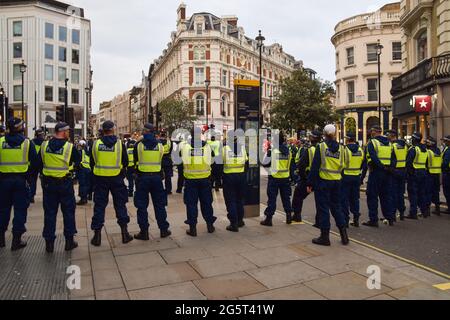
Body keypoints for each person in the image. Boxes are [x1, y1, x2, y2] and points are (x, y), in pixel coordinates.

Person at [90, 121, 133, 247]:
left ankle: (97, 236)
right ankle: (125, 234)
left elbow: (92, 162)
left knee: (99, 206)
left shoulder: (96, 144)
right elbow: (125, 162)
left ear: (103, 130)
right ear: (113, 130)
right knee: (120, 205)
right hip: (116, 179)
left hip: (100, 178)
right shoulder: (120, 144)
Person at [39, 123, 80, 253]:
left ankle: (49, 244)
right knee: (68, 212)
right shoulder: (69, 147)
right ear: (63, 132)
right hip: (64, 184)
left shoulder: (44, 145)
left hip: (48, 184)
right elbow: (78, 161)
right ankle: (69, 242)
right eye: (68, 131)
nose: (69, 133)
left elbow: (38, 163)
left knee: (50, 213)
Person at [0, 118, 39, 250]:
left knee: (3, 209)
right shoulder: (27, 143)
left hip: (3, 181)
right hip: (21, 181)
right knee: (20, 210)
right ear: (19, 128)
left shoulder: (0, 142)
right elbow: (35, 163)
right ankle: (16, 240)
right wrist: (30, 177)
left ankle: (1, 239)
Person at [307, 124, 349, 246]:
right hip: (337, 182)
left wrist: (310, 183)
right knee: (337, 208)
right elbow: (344, 164)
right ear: (335, 133)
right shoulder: (342, 148)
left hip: (323, 182)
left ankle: (325, 237)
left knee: (323, 209)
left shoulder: (321, 147)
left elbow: (315, 167)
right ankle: (344, 236)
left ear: (324, 134)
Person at [133, 123, 171, 240]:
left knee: (142, 206)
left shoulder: (138, 145)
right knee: (159, 205)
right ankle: (163, 230)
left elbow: (136, 159)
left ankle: (144, 232)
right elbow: (160, 159)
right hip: (156, 178)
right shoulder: (159, 145)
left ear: (145, 132)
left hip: (142, 178)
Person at [181, 127, 217, 237]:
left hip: (190, 180)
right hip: (205, 180)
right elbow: (213, 160)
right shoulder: (207, 146)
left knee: (191, 204)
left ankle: (193, 229)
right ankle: (210, 225)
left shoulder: (185, 147)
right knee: (207, 203)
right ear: (200, 134)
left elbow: (179, 160)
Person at [363, 126, 395, 227]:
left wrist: (381, 167)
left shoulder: (372, 142)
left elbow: (373, 157)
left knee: (372, 195)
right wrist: (390, 168)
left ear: (374, 132)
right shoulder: (389, 144)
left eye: (371, 131)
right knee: (386, 196)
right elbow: (394, 158)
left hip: (377, 172)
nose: (370, 132)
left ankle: (373, 220)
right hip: (388, 173)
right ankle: (389, 218)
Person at [261, 132, 293, 226]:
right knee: (286, 198)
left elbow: (265, 163)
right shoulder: (288, 152)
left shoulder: (272, 151)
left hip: (274, 178)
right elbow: (291, 166)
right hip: (285, 178)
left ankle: (269, 219)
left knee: (272, 199)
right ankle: (288, 216)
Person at [291, 130, 321, 223]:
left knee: (298, 196)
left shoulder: (309, 150)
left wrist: (303, 178)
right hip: (322, 178)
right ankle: (319, 221)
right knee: (320, 201)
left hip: (308, 178)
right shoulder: (323, 148)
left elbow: (301, 165)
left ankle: (297, 215)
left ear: (311, 138)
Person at [222, 132, 248, 232]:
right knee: (240, 199)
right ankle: (240, 220)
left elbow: (220, 164)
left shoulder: (225, 149)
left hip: (229, 177)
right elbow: (246, 163)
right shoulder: (242, 148)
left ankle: (234, 223)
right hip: (241, 176)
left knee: (230, 200)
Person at [341, 132, 365, 228]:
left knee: (344, 199)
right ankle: (356, 219)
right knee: (355, 198)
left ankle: (345, 220)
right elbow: (363, 163)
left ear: (348, 140)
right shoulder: (360, 150)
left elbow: (341, 163)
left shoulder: (345, 150)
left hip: (346, 176)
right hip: (356, 177)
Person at [405, 132, 429, 220]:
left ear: (414, 139)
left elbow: (408, 163)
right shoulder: (425, 149)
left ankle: (413, 213)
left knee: (413, 194)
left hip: (414, 174)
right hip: (423, 173)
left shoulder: (413, 149)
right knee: (422, 193)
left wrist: (408, 174)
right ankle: (424, 211)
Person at [386, 130, 408, 221]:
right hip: (403, 171)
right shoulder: (405, 146)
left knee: (393, 193)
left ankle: (392, 214)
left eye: (388, 135)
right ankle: (402, 212)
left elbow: (391, 159)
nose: (387, 137)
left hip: (394, 172)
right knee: (400, 193)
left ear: (392, 136)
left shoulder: (392, 146)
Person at [426, 136, 442, 216]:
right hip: (437, 174)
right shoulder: (438, 151)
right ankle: (437, 209)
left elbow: (426, 162)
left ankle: (427, 210)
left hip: (430, 174)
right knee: (436, 192)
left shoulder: (428, 152)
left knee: (428, 191)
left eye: (428, 142)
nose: (426, 144)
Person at [29, 128, 45, 203]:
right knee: (44, 180)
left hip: (33, 163)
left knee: (32, 181)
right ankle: (45, 195)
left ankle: (31, 196)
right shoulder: (45, 143)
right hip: (42, 163)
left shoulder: (31, 142)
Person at [76, 140, 91, 205]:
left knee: (82, 184)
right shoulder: (88, 152)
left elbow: (77, 161)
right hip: (88, 169)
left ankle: (83, 199)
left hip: (82, 169)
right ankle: (89, 196)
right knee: (87, 184)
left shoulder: (80, 152)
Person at [160, 130, 174, 195]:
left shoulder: (158, 142)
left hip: (159, 160)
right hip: (168, 160)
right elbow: (171, 150)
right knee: (168, 176)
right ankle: (168, 190)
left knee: (159, 176)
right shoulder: (169, 141)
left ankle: (159, 189)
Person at [441, 136, 450, 215]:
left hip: (447, 173)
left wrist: (442, 166)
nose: (444, 142)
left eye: (445, 141)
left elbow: (445, 162)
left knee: (447, 191)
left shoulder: (448, 150)